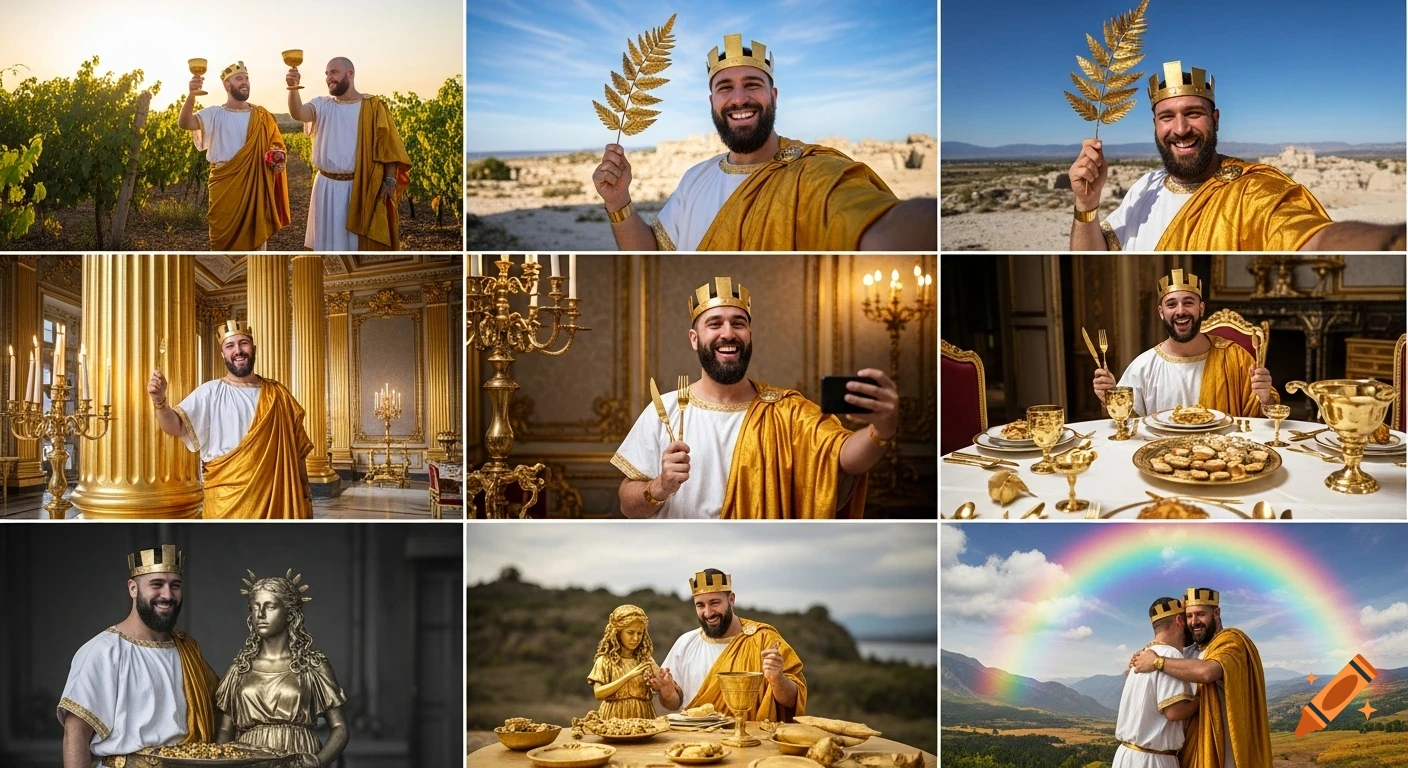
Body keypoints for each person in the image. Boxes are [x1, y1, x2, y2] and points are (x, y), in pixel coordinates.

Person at [593, 34, 935, 251]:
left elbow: (883, 227)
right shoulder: (695, 178)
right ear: (711, 101)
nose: (739, 98)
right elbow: (652, 253)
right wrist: (618, 200)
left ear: (773, 96)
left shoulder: (815, 173)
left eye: (752, 84)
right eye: (725, 87)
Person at [611, 277, 899, 518]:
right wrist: (660, 486)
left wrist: (881, 428)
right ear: (694, 338)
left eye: (738, 323)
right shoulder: (663, 409)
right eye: (714, 324)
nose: (728, 333)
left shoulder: (789, 411)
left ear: (749, 335)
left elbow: (846, 458)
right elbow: (627, 505)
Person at [1069, 61, 1405, 252]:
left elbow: (1313, 240)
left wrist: (1392, 242)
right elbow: (1094, 256)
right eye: (1167, 117)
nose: (1181, 128)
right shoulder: (1146, 186)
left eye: (1194, 114)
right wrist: (1086, 205)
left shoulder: (1253, 189)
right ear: (1155, 125)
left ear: (1215, 120)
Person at [58, 545, 221, 768]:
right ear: (133, 589)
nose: (167, 595)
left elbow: (222, 703)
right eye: (156, 584)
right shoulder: (103, 651)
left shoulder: (188, 649)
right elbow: (74, 735)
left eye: (175, 586)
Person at [148, 320, 315, 518]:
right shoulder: (210, 392)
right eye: (230, 346)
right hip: (225, 502)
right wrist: (160, 402)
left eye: (243, 343)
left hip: (276, 497)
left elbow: (298, 450)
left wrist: (304, 487)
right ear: (222, 354)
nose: (238, 350)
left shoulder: (278, 395)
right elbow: (175, 426)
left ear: (253, 348)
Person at [1092, 269, 1278, 417]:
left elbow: (1262, 422)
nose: (1180, 311)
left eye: (1188, 303)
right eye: (1171, 304)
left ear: (1201, 308)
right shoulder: (1142, 367)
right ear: (1161, 312)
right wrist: (1108, 398)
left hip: (1223, 459)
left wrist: (1265, 398)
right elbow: (1127, 426)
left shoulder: (1236, 358)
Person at [215, 569, 348, 767]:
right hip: (249, 760)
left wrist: (319, 761)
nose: (260, 614)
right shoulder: (239, 669)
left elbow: (340, 728)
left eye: (270, 607)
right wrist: (220, 761)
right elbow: (225, 730)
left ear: (289, 613)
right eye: (255, 607)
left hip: (299, 758)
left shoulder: (312, 666)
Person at [1131, 587, 1272, 767]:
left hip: (1226, 748)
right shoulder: (1186, 652)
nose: (1194, 622)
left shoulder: (1230, 641)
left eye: (1200, 614)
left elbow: (1208, 672)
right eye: (1189, 616)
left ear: (1216, 612)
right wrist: (1142, 657)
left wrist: (1157, 662)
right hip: (1192, 747)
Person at [287, 57, 412, 251]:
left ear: (350, 73)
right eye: (327, 74)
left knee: (355, 244)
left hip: (360, 186)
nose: (329, 78)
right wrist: (293, 88)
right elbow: (298, 113)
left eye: (334, 72)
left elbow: (388, 149)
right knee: (326, 244)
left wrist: (389, 181)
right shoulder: (321, 104)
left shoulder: (372, 106)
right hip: (325, 187)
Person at [648, 570, 806, 721]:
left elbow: (792, 701)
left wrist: (777, 679)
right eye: (700, 605)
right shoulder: (685, 643)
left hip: (750, 743)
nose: (708, 612)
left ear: (731, 599)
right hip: (697, 742)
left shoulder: (765, 640)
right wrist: (667, 693)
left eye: (715, 603)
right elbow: (674, 703)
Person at [179, 61, 291, 251]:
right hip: (225, 187)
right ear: (227, 85)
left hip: (256, 185)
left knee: (256, 245)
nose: (245, 82)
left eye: (246, 78)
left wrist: (278, 158)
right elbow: (185, 122)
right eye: (239, 79)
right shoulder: (215, 113)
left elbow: (276, 145)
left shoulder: (262, 115)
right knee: (223, 244)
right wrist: (191, 96)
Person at [1111, 598, 1198, 767]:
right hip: (1152, 760)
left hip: (1125, 756)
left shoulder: (1142, 656)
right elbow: (1174, 712)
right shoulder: (1169, 656)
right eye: (1186, 618)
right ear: (1179, 620)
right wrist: (1203, 699)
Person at [588, 605, 661, 719]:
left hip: (643, 715)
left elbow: (662, 686)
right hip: (614, 716)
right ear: (618, 633)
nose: (636, 638)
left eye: (640, 633)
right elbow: (598, 693)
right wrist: (629, 676)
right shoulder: (605, 661)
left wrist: (657, 683)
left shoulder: (645, 660)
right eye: (630, 633)